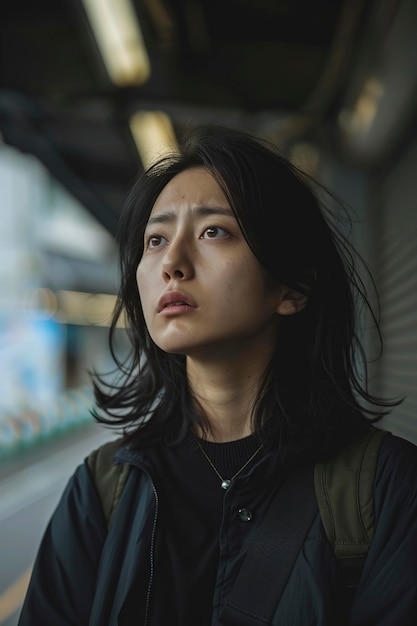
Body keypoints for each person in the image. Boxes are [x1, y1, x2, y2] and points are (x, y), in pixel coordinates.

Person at [18, 125, 417, 625]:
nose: (172, 264)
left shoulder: (383, 489)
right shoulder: (103, 488)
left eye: (214, 232)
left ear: (291, 288)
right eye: (156, 239)